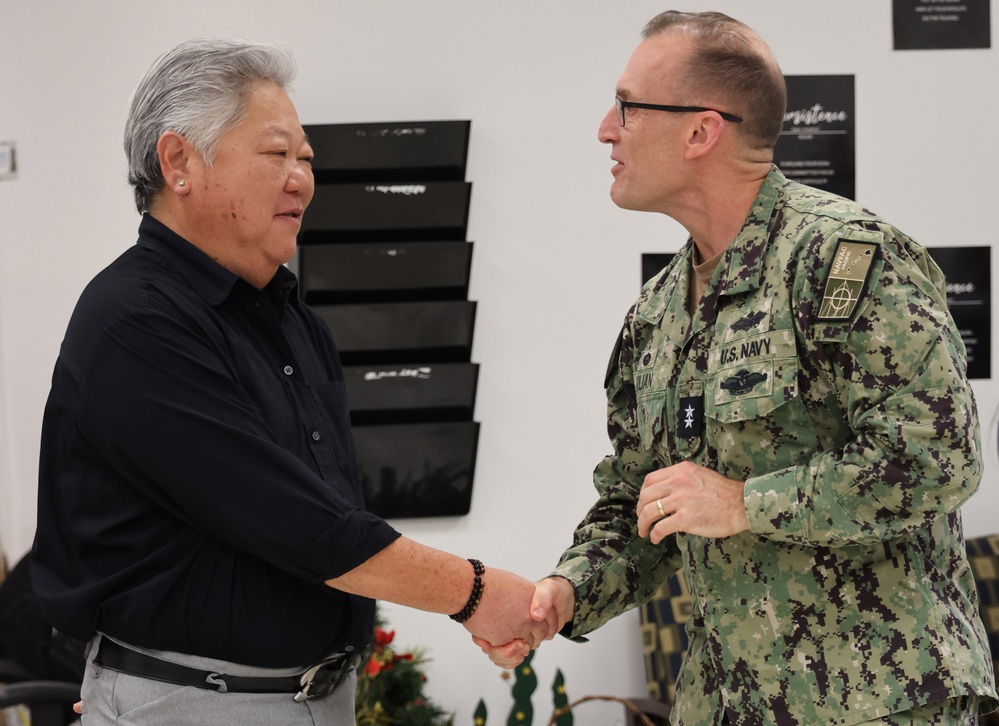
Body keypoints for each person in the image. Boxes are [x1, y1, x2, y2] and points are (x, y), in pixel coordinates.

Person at [480, 10, 998, 725]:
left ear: (699, 131)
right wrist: (565, 592)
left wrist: (743, 502)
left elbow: (936, 457)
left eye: (627, 106)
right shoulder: (657, 313)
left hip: (877, 700)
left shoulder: (843, 259)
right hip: (725, 703)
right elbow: (641, 501)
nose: (605, 128)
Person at [30, 38, 545, 725]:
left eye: (306, 158)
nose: (301, 177)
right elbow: (299, 525)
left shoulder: (295, 324)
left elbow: (332, 511)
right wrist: (475, 592)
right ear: (179, 162)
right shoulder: (135, 321)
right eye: (276, 154)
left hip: (311, 699)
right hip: (196, 704)